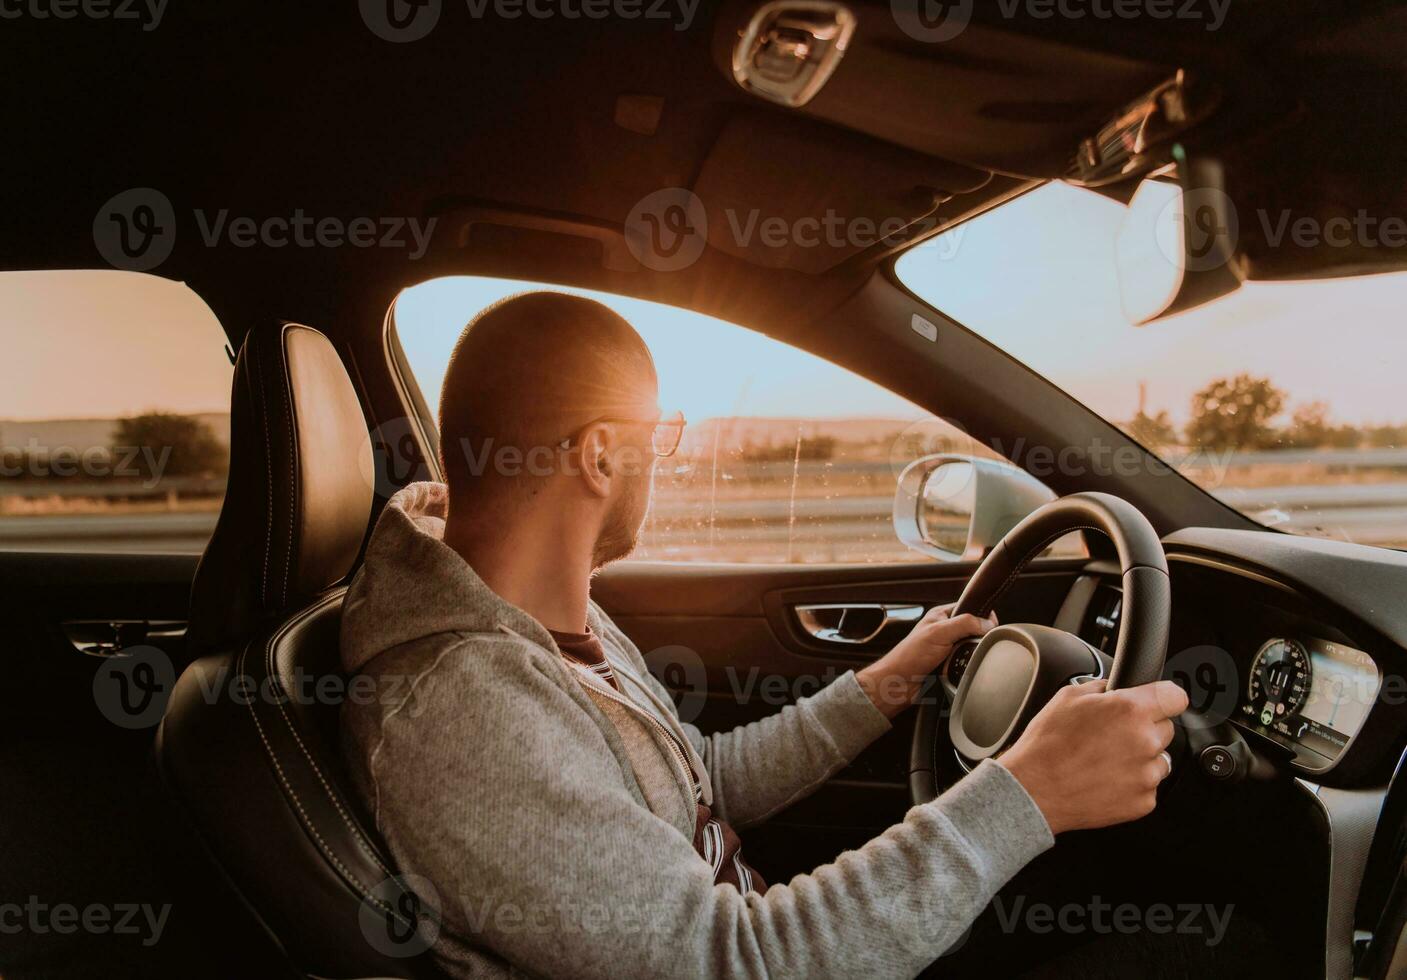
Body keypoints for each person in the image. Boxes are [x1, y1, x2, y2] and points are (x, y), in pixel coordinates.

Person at [339, 291, 1188, 978]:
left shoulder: (542, 624)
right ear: (599, 457)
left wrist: (885, 684)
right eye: (657, 438)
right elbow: (737, 962)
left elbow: (693, 780)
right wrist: (1027, 794)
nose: (660, 463)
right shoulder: (463, 715)